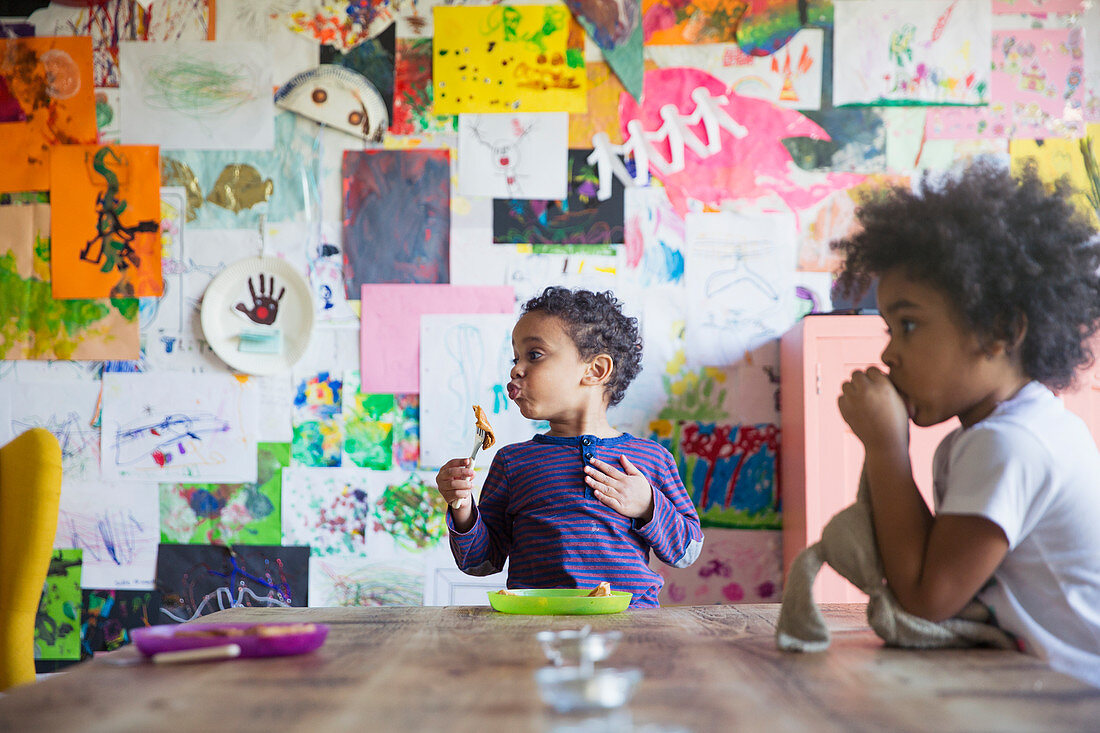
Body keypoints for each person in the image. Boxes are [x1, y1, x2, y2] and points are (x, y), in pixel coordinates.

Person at [831, 160, 1100, 686]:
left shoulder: (1011, 444)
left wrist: (886, 448)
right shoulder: (1010, 429)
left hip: (1075, 699)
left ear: (1000, 330)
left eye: (909, 325)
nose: (888, 352)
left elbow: (926, 601)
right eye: (888, 327)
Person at [435, 286, 703, 608]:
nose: (515, 369)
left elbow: (687, 550)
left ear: (595, 371)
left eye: (534, 355)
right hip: (535, 627)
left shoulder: (652, 458)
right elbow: (480, 562)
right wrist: (462, 508)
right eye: (516, 357)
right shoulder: (512, 462)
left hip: (633, 626)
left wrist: (648, 505)